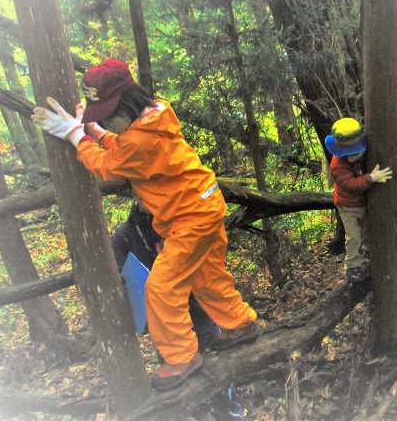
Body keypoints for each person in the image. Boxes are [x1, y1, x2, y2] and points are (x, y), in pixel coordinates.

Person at [32, 58, 257, 390]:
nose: (106, 123)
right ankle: (240, 323)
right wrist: (92, 129)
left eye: (108, 116)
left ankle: (181, 357)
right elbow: (125, 148)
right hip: (205, 205)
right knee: (207, 275)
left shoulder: (137, 140)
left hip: (189, 219)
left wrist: (77, 136)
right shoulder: (156, 116)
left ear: (125, 106)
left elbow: (108, 166)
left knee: (162, 289)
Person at [112, 199, 218, 347]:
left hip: (197, 308)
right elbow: (121, 270)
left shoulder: (178, 220)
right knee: (175, 359)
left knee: (215, 354)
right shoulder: (124, 235)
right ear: (134, 195)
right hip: (163, 320)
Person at [325, 118, 392, 283]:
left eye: (356, 152)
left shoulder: (361, 157)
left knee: (366, 229)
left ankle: (368, 253)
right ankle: (353, 266)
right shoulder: (337, 166)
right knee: (353, 235)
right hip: (347, 206)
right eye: (348, 154)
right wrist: (372, 178)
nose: (353, 157)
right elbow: (352, 184)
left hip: (361, 203)